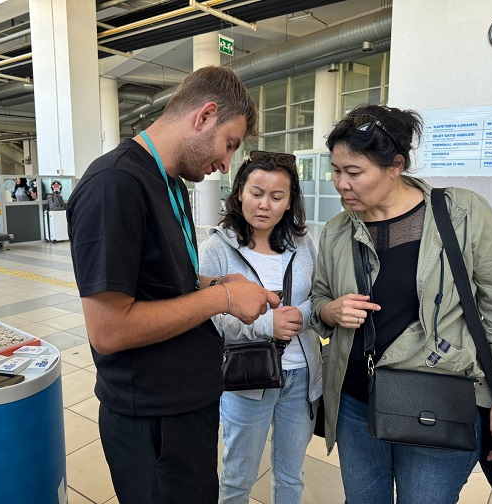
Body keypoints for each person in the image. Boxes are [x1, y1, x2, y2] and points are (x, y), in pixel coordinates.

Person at [67, 66, 281, 504]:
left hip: (185, 403)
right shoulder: (114, 184)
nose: (226, 164)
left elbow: (161, 277)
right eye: (229, 144)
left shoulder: (171, 184)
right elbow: (109, 329)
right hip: (152, 418)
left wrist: (216, 282)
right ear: (204, 116)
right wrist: (222, 298)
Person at [309, 104, 492, 504]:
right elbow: (319, 299)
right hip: (356, 402)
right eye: (336, 170)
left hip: (439, 401)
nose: (341, 183)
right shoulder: (336, 231)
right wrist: (330, 311)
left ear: (395, 165)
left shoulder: (461, 213)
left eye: (354, 172)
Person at [199, 151, 322, 504]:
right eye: (256, 193)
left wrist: (302, 315)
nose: (265, 204)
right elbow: (209, 318)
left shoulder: (302, 243)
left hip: (300, 377)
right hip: (246, 378)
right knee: (238, 478)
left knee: (291, 477)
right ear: (239, 192)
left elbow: (319, 295)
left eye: (277, 196)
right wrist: (268, 324)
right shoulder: (217, 247)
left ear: (290, 202)